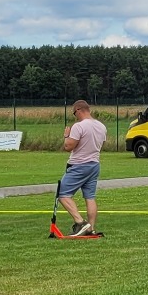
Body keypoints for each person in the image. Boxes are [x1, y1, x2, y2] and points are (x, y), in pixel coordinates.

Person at [58, 99, 107, 237]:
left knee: (62, 194)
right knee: (90, 197)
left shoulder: (79, 126)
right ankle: (91, 228)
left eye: (74, 114)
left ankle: (80, 222)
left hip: (79, 165)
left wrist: (66, 136)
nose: (75, 117)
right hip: (94, 165)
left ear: (78, 110)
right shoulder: (101, 126)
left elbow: (68, 147)